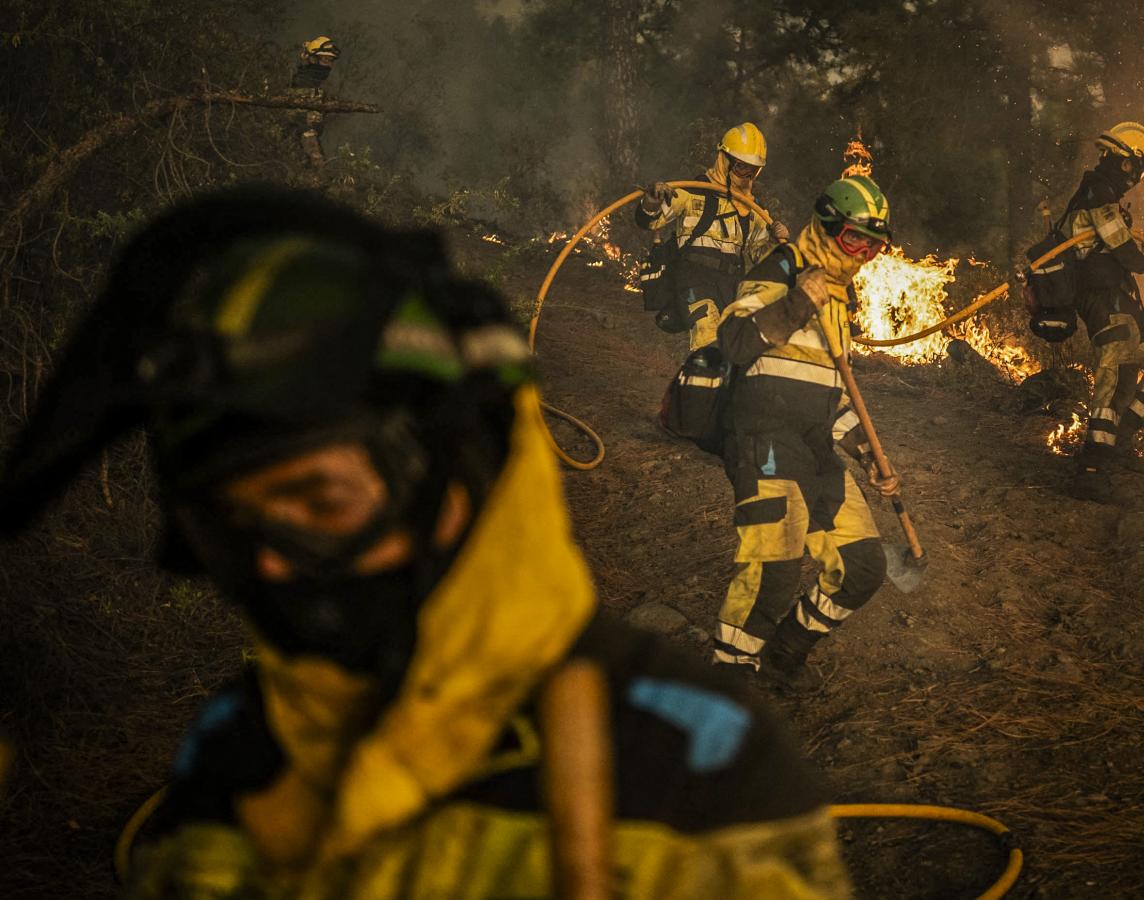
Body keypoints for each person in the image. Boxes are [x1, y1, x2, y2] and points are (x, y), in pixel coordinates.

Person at [0, 187, 849, 898]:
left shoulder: (700, 768)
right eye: (225, 526)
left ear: (462, 470)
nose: (267, 564)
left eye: (319, 499)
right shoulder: (237, 749)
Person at [710, 175, 898, 691]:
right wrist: (796, 303)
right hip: (764, 443)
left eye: (873, 245)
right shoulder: (783, 269)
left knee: (862, 568)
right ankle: (729, 685)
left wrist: (867, 453)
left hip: (815, 452)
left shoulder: (838, 296)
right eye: (853, 239)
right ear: (827, 225)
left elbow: (829, 393)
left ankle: (785, 652)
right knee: (773, 576)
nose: (862, 254)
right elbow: (732, 343)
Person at [1024, 121, 1144, 503]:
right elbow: (1124, 251)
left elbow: (1123, 243)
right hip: (1104, 301)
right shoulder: (1098, 193)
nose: (1141, 176)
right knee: (1112, 378)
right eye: (1140, 167)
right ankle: (1092, 469)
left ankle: (1119, 440)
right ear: (1125, 163)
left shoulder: (1104, 196)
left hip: (1120, 298)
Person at [637, 122, 789, 349]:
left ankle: (718, 381)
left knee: (735, 346)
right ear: (724, 161)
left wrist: (775, 241)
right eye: (741, 167)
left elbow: (764, 259)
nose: (746, 175)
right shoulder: (692, 193)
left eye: (753, 170)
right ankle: (705, 377)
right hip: (694, 278)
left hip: (730, 285)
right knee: (707, 332)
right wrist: (652, 201)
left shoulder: (754, 212)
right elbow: (650, 220)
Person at [290, 36, 340, 167]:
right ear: (312, 59)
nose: (329, 64)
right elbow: (298, 121)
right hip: (297, 141)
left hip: (307, 139)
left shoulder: (317, 85)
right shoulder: (302, 81)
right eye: (325, 60)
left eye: (331, 60)